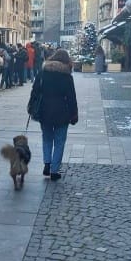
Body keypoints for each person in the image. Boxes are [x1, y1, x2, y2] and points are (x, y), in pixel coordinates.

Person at [29, 49, 79, 181]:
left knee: (46, 138)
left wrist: (31, 107)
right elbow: (71, 97)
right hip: (62, 112)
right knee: (59, 141)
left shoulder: (43, 72)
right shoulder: (67, 76)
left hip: (44, 111)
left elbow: (35, 91)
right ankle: (54, 170)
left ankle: (47, 163)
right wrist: (74, 114)